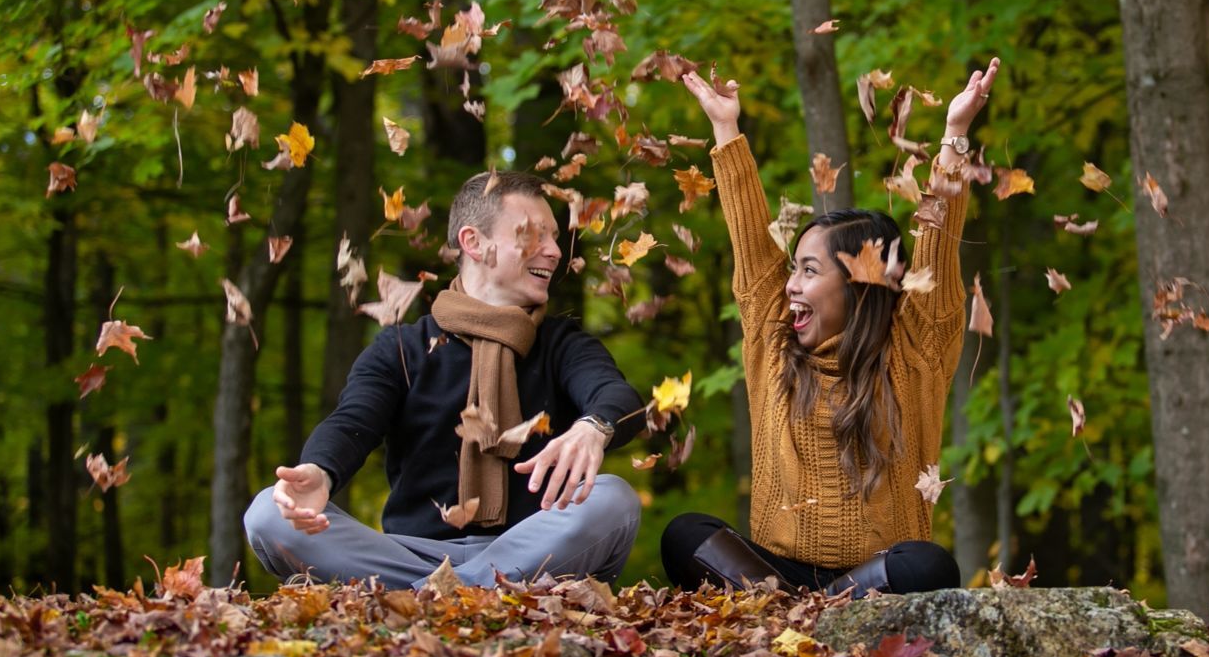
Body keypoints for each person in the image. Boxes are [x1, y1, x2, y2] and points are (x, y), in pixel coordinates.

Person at [658, 59, 1000, 596]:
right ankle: (792, 606)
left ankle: (817, 610)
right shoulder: (774, 339)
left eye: (809, 271)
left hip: (874, 575)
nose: (790, 284)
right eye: (794, 268)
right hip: (769, 570)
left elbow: (937, 243)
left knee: (928, 566)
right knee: (685, 533)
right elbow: (749, 241)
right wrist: (725, 128)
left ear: (861, 282)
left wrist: (954, 136)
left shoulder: (914, 353)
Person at [245, 169, 645, 589]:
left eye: (555, 238)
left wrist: (593, 428)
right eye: (534, 235)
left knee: (614, 499)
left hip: (531, 548)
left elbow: (617, 395)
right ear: (474, 243)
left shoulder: (561, 343)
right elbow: (352, 421)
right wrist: (320, 472)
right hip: (411, 556)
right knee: (267, 514)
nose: (554, 251)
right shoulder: (402, 347)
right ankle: (469, 589)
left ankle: (444, 595)